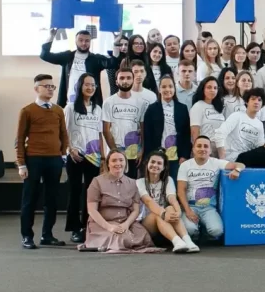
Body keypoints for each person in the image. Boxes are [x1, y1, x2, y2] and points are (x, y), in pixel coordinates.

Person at [15, 74, 70, 249]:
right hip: (33, 159)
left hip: (54, 160)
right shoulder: (27, 111)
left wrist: (63, 155)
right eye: (46, 86)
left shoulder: (58, 110)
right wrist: (21, 164)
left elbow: (63, 134)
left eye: (52, 86)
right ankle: (27, 236)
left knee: (51, 199)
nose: (50, 89)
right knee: (30, 199)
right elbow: (19, 139)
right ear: (36, 88)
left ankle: (47, 235)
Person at [79, 151, 164, 253]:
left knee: (143, 237)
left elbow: (136, 210)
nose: (118, 163)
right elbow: (92, 210)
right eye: (114, 160)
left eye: (121, 160)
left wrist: (126, 224)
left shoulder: (133, 183)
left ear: (126, 163)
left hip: (125, 222)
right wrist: (109, 227)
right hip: (103, 223)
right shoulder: (97, 181)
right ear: (108, 164)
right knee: (121, 239)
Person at [177, 136, 245, 242]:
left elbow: (240, 164)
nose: (202, 149)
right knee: (190, 230)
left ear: (210, 150)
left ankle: (204, 228)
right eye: (199, 146)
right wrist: (188, 210)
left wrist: (237, 170)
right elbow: (181, 190)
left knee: (217, 231)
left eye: (206, 146)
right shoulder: (185, 165)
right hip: (190, 206)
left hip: (208, 207)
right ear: (193, 149)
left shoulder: (217, 162)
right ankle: (196, 230)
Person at [64, 74, 105, 244]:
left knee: (91, 194)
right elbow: (64, 131)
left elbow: (100, 134)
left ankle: (87, 225)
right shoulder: (70, 108)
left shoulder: (98, 108)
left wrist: (103, 157)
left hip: (94, 157)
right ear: (80, 86)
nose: (90, 88)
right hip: (76, 156)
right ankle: (75, 228)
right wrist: (70, 149)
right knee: (75, 191)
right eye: (87, 84)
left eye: (93, 85)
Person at [136, 150, 198, 253]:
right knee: (158, 214)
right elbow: (148, 201)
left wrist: (178, 212)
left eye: (159, 163)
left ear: (164, 167)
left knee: (170, 208)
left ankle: (187, 241)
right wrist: (163, 214)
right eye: (152, 162)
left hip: (166, 220)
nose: (155, 165)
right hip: (148, 224)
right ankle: (177, 241)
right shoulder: (139, 182)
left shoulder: (168, 180)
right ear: (147, 164)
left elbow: (172, 198)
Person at [40, 28, 116, 107]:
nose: (84, 43)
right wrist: (51, 36)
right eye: (80, 40)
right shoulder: (67, 57)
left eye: (87, 41)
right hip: (68, 105)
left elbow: (113, 63)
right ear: (75, 41)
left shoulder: (96, 59)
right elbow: (45, 55)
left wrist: (116, 44)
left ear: (90, 42)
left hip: (91, 106)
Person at [143, 75, 192, 179]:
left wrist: (184, 155)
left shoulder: (182, 108)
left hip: (176, 157)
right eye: (164, 87)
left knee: (173, 184)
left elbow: (186, 134)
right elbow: (147, 135)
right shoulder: (152, 109)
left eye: (170, 86)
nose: (167, 89)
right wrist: (149, 156)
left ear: (174, 88)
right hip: (157, 156)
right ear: (159, 89)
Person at [102, 68, 146, 178]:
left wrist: (142, 150)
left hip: (134, 153)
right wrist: (115, 152)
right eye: (121, 78)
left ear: (133, 80)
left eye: (128, 78)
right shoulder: (108, 102)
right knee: (114, 183)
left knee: (131, 183)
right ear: (116, 81)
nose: (125, 81)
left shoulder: (141, 102)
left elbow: (143, 128)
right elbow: (106, 130)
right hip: (115, 153)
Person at [215, 89, 265, 168]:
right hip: (234, 157)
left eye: (259, 100)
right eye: (253, 99)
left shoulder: (259, 124)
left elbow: (259, 144)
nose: (256, 102)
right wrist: (222, 160)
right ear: (247, 102)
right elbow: (219, 134)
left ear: (262, 104)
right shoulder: (237, 116)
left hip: (248, 157)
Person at [189, 76, 225, 156]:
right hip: (204, 148)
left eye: (215, 88)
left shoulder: (218, 107)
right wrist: (197, 150)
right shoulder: (198, 106)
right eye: (209, 87)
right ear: (203, 89)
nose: (212, 90)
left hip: (220, 148)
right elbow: (194, 132)